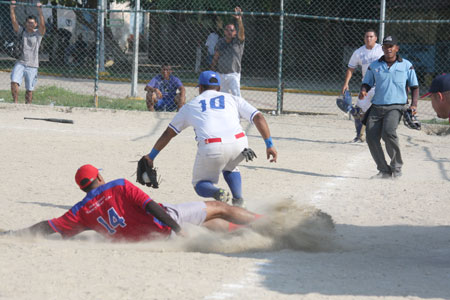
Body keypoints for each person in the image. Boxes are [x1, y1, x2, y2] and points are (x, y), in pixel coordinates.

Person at [0, 164, 261, 241]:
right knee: (218, 207)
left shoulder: (79, 212)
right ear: (99, 177)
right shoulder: (118, 185)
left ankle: (241, 233)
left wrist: (12, 233)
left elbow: (48, 226)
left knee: (210, 220)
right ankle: (264, 223)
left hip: (145, 238)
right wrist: (176, 227)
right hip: (165, 223)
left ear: (81, 187)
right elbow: (151, 206)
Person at [138, 71, 277, 208]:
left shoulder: (191, 106)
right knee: (231, 166)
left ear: (200, 88)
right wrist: (269, 144)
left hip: (212, 147)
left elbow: (168, 133)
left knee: (199, 184)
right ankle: (239, 199)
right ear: (219, 88)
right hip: (240, 145)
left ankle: (218, 193)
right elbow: (258, 117)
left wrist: (151, 156)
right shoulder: (233, 99)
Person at [359, 35, 419, 179]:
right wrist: (364, 90)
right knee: (371, 137)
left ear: (396, 48)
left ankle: (396, 168)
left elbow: (415, 86)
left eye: (391, 46)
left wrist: (414, 104)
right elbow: (367, 82)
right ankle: (384, 170)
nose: (388, 49)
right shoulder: (374, 66)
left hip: (396, 106)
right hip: (377, 105)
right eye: (385, 47)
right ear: (382, 49)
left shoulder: (406, 65)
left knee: (388, 132)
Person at [342, 29, 384, 143]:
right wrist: (346, 83)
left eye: (371, 36)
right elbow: (351, 68)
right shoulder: (359, 52)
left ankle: (379, 137)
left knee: (381, 112)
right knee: (358, 112)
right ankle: (359, 136)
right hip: (366, 87)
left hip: (381, 86)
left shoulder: (381, 50)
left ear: (376, 38)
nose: (368, 39)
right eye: (366, 36)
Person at [10, 0, 46, 104]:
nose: (30, 25)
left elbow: (43, 25)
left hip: (33, 64)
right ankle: (15, 103)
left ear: (35, 24)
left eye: (32, 23)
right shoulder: (22, 31)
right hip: (21, 62)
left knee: (29, 89)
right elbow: (14, 21)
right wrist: (12, 9)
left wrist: (40, 11)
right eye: (28, 23)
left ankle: (28, 106)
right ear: (25, 23)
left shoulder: (38, 34)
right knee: (14, 81)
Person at [210, 7, 244, 97]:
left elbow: (242, 33)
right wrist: (212, 70)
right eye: (227, 30)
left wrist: (239, 20)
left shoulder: (238, 41)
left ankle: (238, 111)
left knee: (236, 96)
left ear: (235, 32)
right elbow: (216, 57)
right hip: (221, 74)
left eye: (232, 30)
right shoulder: (220, 42)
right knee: (222, 96)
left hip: (234, 74)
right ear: (224, 31)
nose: (229, 32)